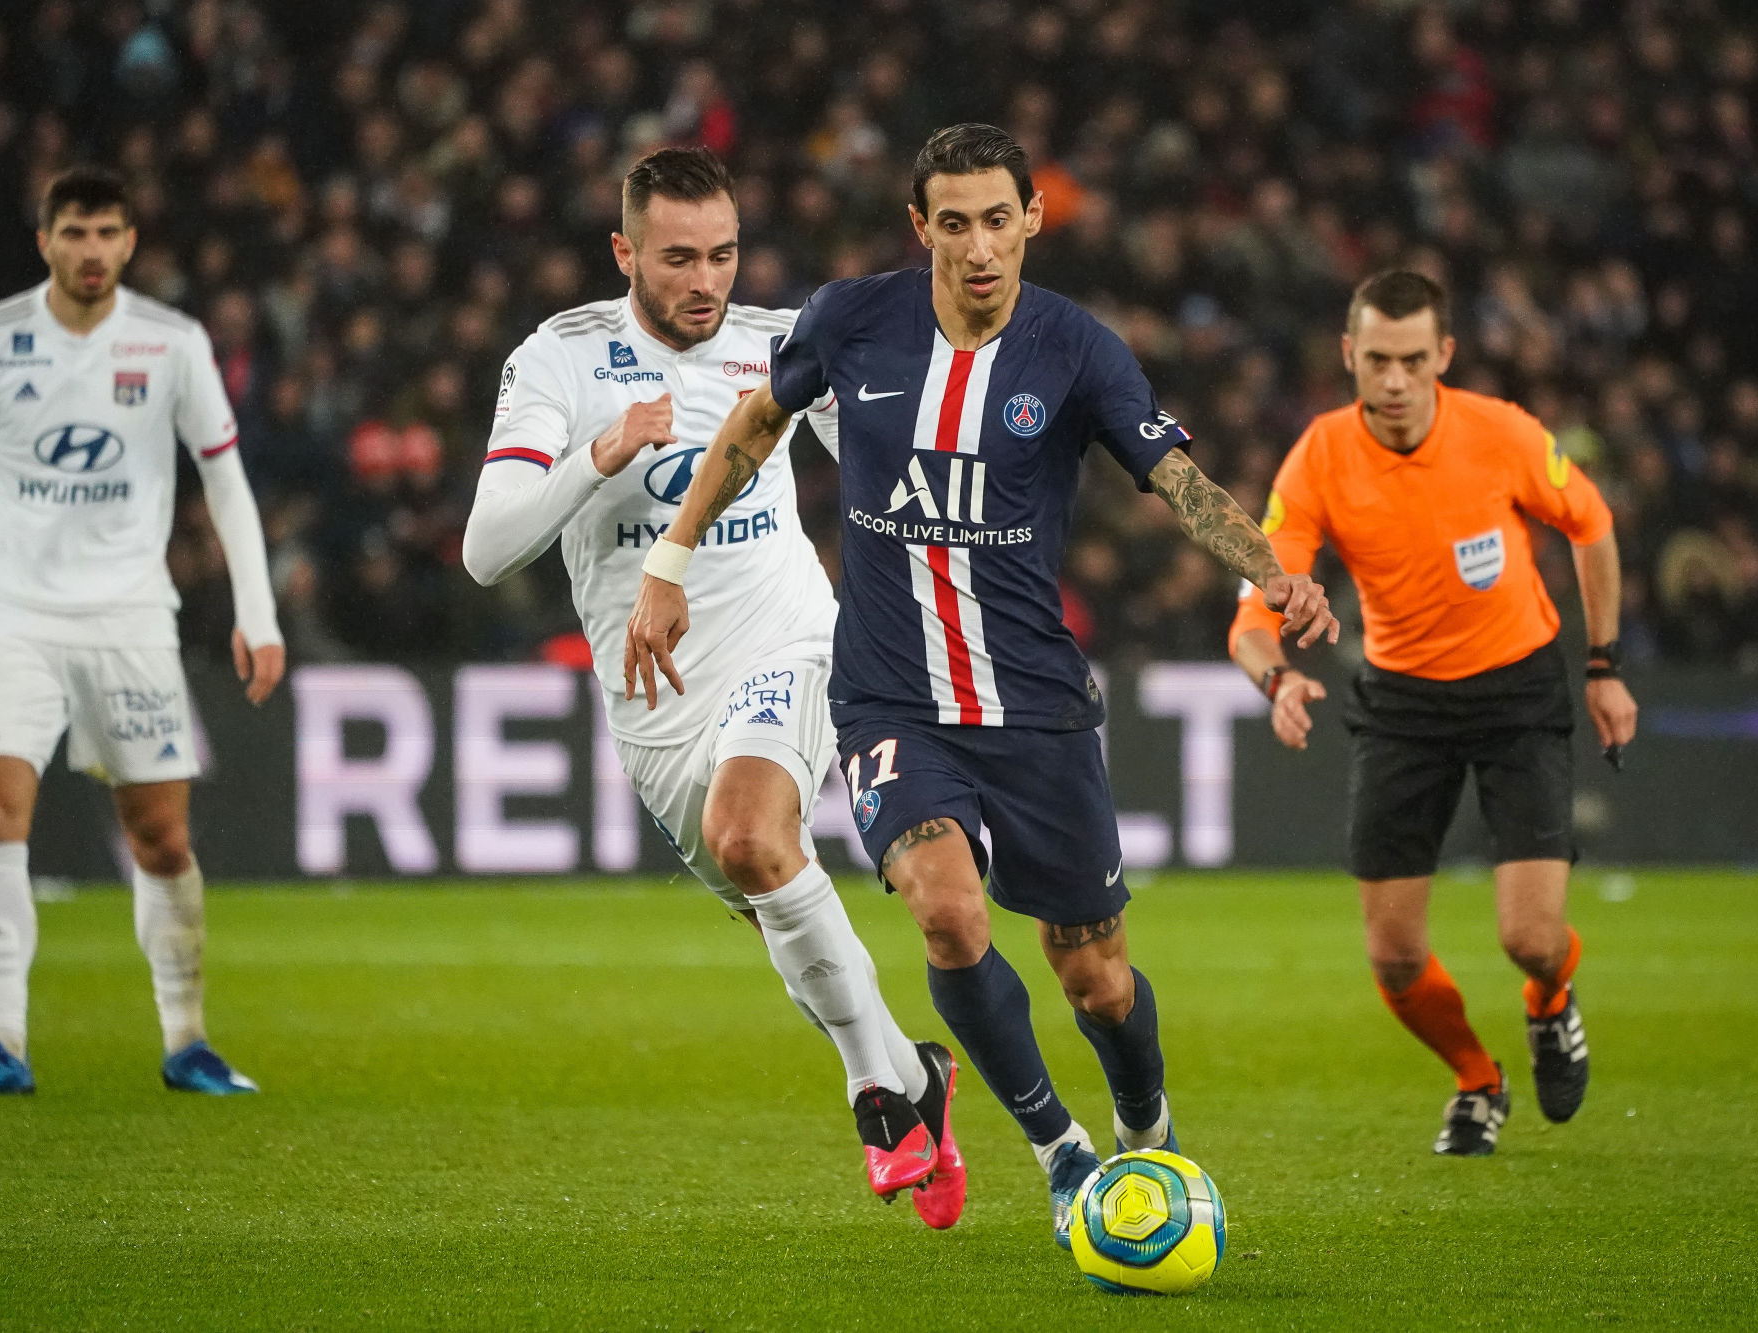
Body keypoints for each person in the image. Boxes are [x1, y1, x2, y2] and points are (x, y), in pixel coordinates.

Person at [624, 124, 1336, 1248]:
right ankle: (1061, 1154)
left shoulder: (1077, 349)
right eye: (952, 224)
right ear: (921, 228)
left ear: (1031, 218)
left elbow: (1175, 479)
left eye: (997, 219)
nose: (978, 247)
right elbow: (758, 422)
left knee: (1095, 977)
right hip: (890, 700)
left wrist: (1272, 572)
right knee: (948, 914)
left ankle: (1145, 1122)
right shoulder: (852, 321)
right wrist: (668, 559)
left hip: (1034, 705)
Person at [460, 147, 965, 1226]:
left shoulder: (778, 345)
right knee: (770, 891)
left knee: (748, 832)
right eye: (678, 258)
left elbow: (890, 472)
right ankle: (915, 1073)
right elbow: (487, 550)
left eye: (723, 255)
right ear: (624, 253)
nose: (706, 282)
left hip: (791, 640)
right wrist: (600, 453)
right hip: (655, 698)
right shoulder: (559, 360)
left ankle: (876, 1096)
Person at [1228, 270, 1638, 1155]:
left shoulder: (1502, 433)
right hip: (1403, 704)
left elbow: (1592, 523)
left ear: (1444, 355)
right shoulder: (1320, 456)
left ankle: (1549, 1000)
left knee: (1532, 939)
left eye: (1413, 360)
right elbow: (1258, 606)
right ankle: (1478, 1081)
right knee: (1394, 957)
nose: (1395, 381)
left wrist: (1604, 665)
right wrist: (1276, 679)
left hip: (1518, 691)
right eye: (1377, 359)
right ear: (1349, 355)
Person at [0, 167, 283, 1096]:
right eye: (74, 233)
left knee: (161, 838)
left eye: (108, 232)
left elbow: (223, 477)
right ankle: (2, 1042)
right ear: (45, 241)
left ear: (130, 243)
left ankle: (187, 1039)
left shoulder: (171, 343)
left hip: (130, 618)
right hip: (12, 612)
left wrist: (257, 610)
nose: (91, 250)